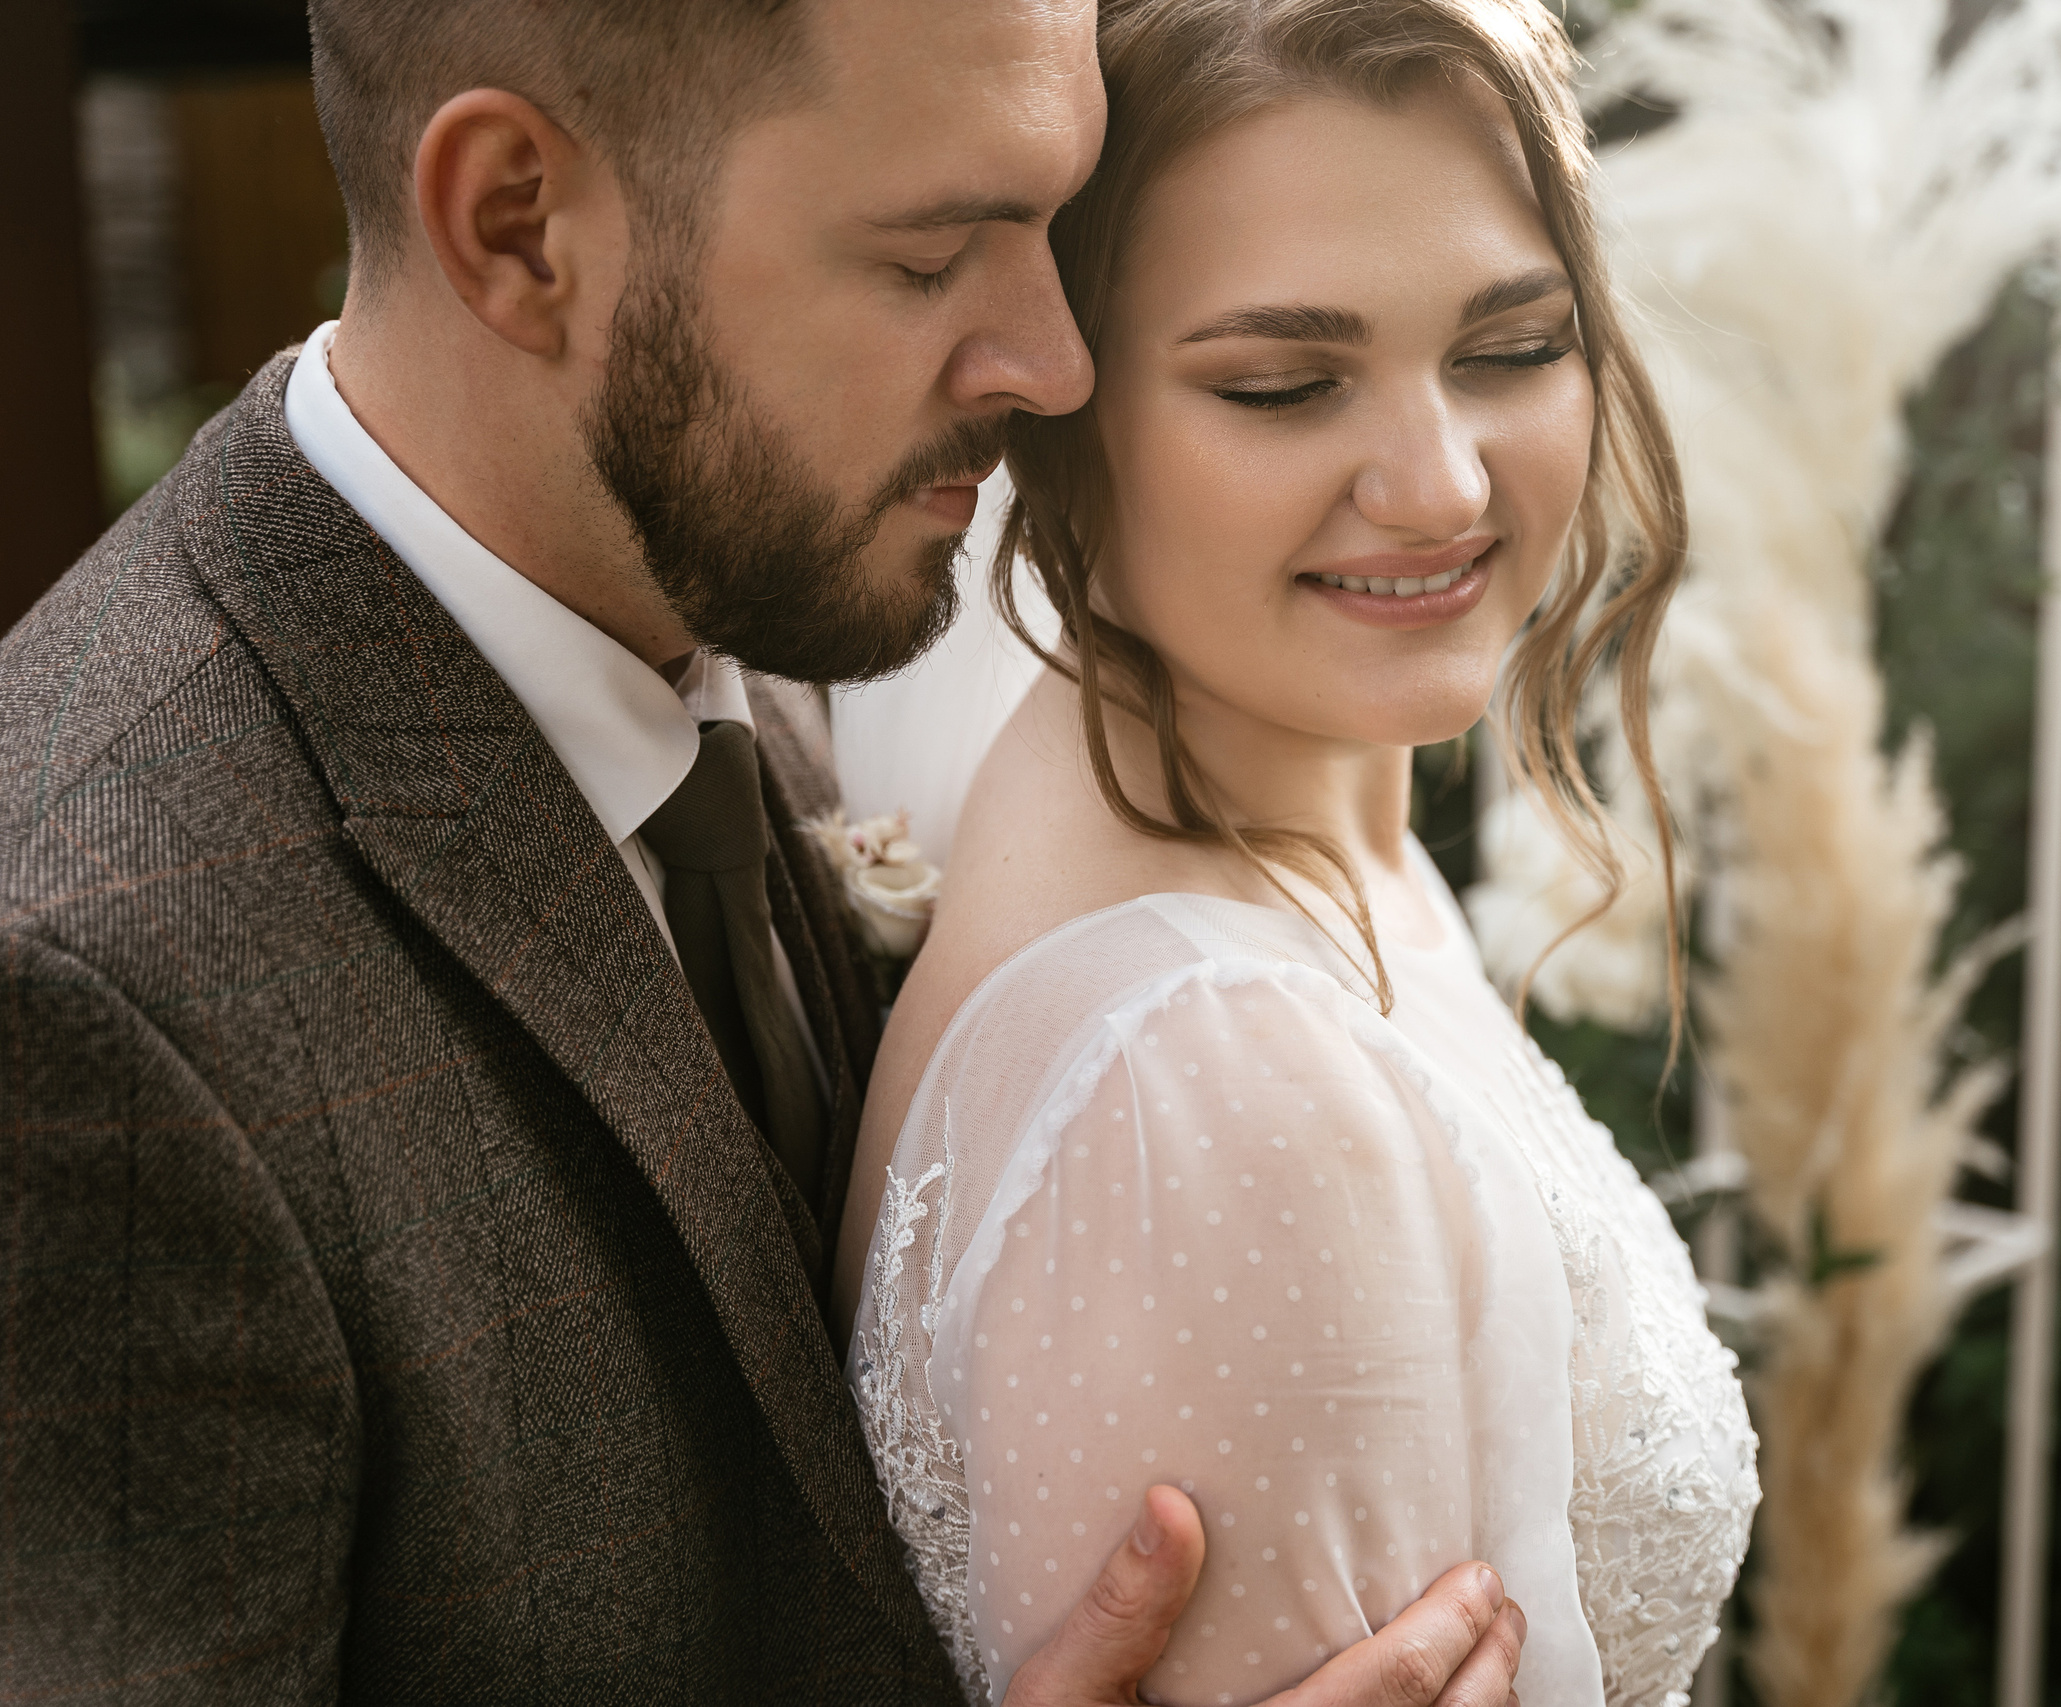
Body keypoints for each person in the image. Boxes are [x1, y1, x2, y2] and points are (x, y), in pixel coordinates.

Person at [0, 1, 1526, 1701]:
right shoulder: (87, 994)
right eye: (932, 254)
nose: (1056, 361)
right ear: (517, 224)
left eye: (1052, 222)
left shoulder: (741, 589)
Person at [841, 2, 1762, 1704]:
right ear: (1063, 414)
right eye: (1283, 384)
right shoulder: (1211, 1086)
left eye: (1508, 349)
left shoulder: (1312, 840)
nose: (1437, 483)